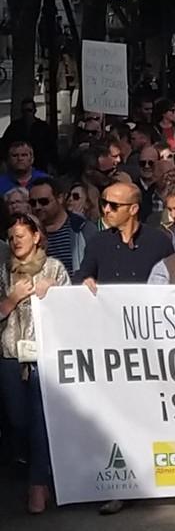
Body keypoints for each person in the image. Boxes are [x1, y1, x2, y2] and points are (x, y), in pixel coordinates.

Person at [0, 213, 70, 513]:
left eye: (21, 235)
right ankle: (34, 470)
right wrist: (12, 299)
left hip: (45, 356)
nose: (16, 241)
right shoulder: (3, 272)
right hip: (10, 355)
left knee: (41, 420)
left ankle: (38, 485)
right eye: (12, 236)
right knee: (18, 419)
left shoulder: (54, 269)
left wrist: (54, 296)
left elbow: (73, 312)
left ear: (36, 237)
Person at [74, 182, 174, 287]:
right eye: (104, 203)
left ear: (133, 209)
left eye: (114, 205)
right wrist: (85, 281)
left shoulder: (159, 242)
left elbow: (174, 279)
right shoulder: (98, 242)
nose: (106, 210)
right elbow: (82, 275)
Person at [28, 177, 97, 274]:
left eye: (44, 202)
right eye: (33, 203)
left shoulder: (83, 228)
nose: (37, 207)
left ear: (60, 198)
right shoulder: (28, 233)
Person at [0, 98, 57, 170]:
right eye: (24, 111)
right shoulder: (15, 127)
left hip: (39, 165)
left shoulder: (43, 127)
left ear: (34, 111)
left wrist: (52, 164)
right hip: (19, 166)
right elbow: (4, 144)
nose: (27, 113)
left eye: (29, 110)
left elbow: (51, 147)